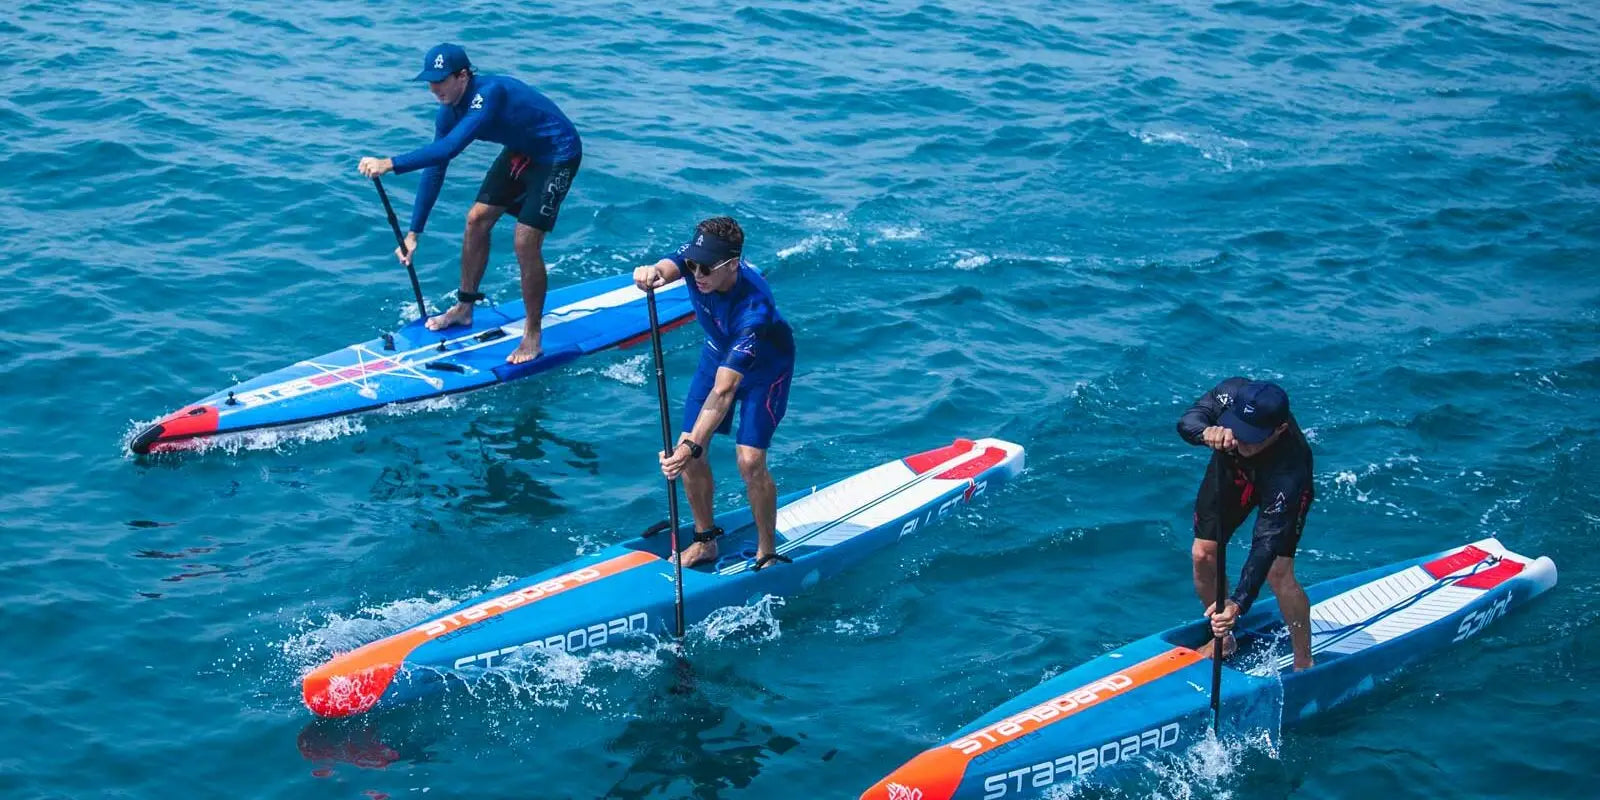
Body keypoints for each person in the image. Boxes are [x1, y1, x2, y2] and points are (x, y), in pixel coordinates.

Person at [357, 43, 582, 364]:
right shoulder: (448, 112)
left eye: (440, 80)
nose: (434, 88)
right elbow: (437, 168)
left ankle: (533, 334)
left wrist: (390, 162)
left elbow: (449, 149)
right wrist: (413, 234)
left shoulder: (488, 95)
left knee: (524, 241)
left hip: (558, 153)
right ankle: (464, 308)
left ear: (463, 76)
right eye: (429, 82)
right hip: (521, 151)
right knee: (476, 219)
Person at [633, 217, 796, 570]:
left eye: (705, 268)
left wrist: (691, 445)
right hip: (717, 354)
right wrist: (653, 273)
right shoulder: (699, 260)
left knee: (749, 461)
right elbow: (670, 264)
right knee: (690, 452)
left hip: (764, 370)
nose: (697, 273)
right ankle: (706, 541)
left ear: (732, 265)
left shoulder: (755, 310)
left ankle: (766, 549)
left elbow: (724, 392)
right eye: (692, 265)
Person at [1177, 378, 1315, 670]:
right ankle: (1223, 638)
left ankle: (1304, 661)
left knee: (1278, 573)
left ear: (1279, 430)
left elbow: (1265, 543)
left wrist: (1238, 603)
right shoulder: (1231, 393)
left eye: (1252, 437)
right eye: (1238, 431)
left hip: (1275, 483)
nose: (1241, 442)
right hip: (1233, 476)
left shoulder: (1290, 473)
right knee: (1203, 554)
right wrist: (1205, 433)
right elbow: (1189, 420)